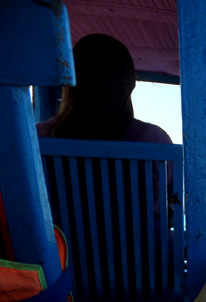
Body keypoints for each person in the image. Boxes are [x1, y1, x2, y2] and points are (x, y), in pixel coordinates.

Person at [37, 33, 174, 219]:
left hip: (61, 247)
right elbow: (170, 206)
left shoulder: (37, 138)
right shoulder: (156, 140)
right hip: (139, 247)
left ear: (70, 83)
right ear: (131, 84)